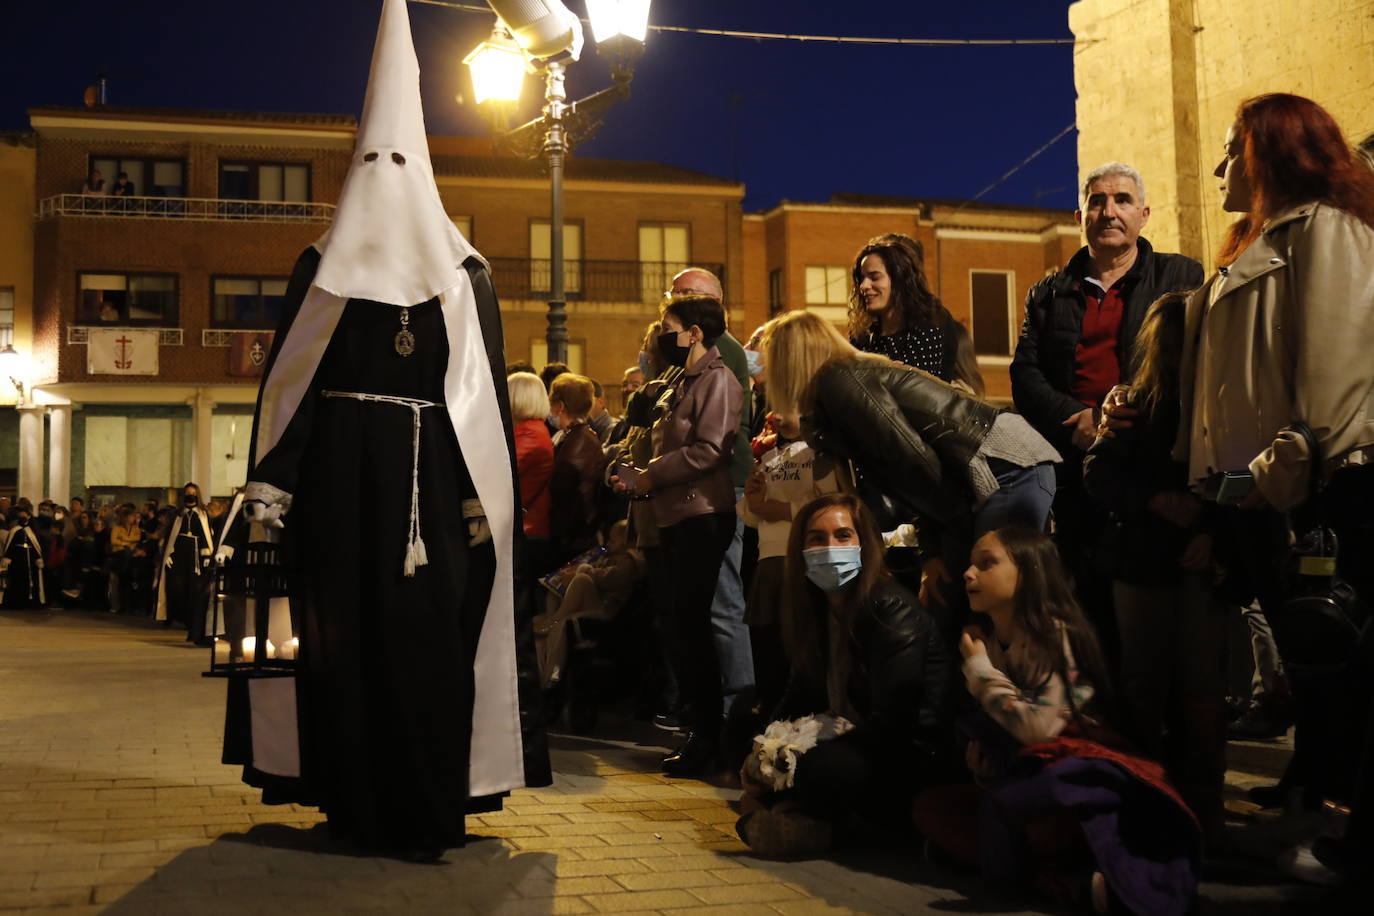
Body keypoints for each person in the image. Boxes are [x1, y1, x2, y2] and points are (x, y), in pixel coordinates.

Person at [228, 0, 548, 858]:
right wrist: (274, 481)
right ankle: (349, 803)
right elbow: (292, 385)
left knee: (427, 646)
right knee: (340, 645)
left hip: (430, 500)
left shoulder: (463, 277)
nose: (385, 170)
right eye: (372, 157)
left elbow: (475, 395)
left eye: (399, 157)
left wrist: (481, 495)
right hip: (337, 495)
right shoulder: (318, 270)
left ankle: (427, 807)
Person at [1168, 93, 1374, 833]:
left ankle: (1328, 803)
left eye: (1232, 148)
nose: (1221, 164)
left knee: (1330, 642)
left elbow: (1338, 361)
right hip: (1254, 490)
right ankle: (1308, 782)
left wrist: (1283, 468)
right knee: (1304, 648)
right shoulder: (1249, 244)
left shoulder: (1327, 229)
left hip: (1314, 486)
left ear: (1271, 151)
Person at [915, 527, 1200, 916]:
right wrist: (983, 768)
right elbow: (1009, 737)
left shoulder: (1053, 634)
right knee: (933, 807)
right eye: (970, 563)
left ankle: (1041, 870)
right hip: (1028, 781)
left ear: (1030, 574)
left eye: (986, 564)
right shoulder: (991, 641)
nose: (968, 573)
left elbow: (1038, 729)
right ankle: (1057, 878)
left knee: (1019, 805)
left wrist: (980, 672)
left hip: (1079, 780)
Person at [1011, 163, 1203, 659]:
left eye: (1121, 200)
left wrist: (1125, 407)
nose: (1108, 211)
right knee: (1087, 612)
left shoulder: (1181, 276)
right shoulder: (1048, 293)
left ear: (1144, 214)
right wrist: (1079, 419)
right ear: (1080, 215)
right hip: (1077, 476)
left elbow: (1193, 360)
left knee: (1160, 634)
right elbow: (1025, 376)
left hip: (1153, 471)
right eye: (1097, 201)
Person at [761, 310, 1059, 617]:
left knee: (996, 598)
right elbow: (912, 472)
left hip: (1005, 467)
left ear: (790, 360)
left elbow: (914, 465)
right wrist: (933, 552)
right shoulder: (841, 387)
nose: (767, 372)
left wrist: (947, 543)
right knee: (976, 599)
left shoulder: (841, 383)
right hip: (997, 469)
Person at [1081, 292, 1226, 843]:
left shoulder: (1222, 401)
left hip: (1197, 568)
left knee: (1204, 691)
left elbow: (1241, 477)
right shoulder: (1135, 404)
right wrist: (1156, 501)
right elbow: (1100, 475)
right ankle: (1146, 809)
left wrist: (1211, 529)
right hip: (1141, 566)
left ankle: (1206, 814)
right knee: (1143, 689)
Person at [736, 493, 952, 859]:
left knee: (818, 769)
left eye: (842, 536)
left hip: (901, 755)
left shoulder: (890, 608)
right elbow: (798, 693)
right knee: (745, 728)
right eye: (816, 538)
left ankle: (813, 819)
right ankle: (801, 816)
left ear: (863, 544)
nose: (830, 547)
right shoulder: (818, 608)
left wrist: (792, 757)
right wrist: (762, 751)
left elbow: (895, 723)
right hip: (845, 737)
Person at [612, 292, 743, 776]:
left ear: (695, 332)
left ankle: (709, 735)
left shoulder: (720, 380)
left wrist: (648, 475)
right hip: (674, 515)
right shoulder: (682, 381)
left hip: (702, 515)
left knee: (693, 627)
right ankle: (699, 729)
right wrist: (635, 474)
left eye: (669, 325)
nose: (662, 334)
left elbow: (710, 449)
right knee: (677, 627)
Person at [667, 267, 756, 723]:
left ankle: (735, 708)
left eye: (685, 294)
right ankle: (705, 705)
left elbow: (714, 439)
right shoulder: (687, 357)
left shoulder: (724, 355)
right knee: (698, 602)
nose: (675, 300)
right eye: (673, 292)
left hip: (719, 485)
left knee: (722, 600)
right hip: (694, 488)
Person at [738, 410, 843, 715]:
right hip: (769, 560)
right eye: (775, 407)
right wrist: (753, 498)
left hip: (802, 559)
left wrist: (778, 509)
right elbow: (752, 515)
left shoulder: (820, 456)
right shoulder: (773, 455)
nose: (776, 416)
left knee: (799, 651)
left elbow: (830, 504)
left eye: (788, 408)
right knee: (769, 652)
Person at [848, 233, 984, 393]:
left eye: (874, 277)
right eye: (861, 279)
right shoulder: (864, 334)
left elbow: (911, 389)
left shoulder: (932, 320)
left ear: (899, 277)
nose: (863, 286)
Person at [533, 519, 643, 689]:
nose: (608, 543)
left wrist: (584, 570)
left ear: (628, 540)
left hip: (608, 610)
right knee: (544, 624)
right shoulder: (609, 557)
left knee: (582, 580)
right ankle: (545, 679)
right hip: (596, 602)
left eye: (613, 540)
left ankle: (555, 619)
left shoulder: (631, 561)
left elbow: (610, 578)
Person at [548, 373, 608, 563]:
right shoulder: (580, 435)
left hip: (574, 540)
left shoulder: (577, 441)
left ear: (560, 406)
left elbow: (562, 491)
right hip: (577, 535)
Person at [509, 371, 554, 580]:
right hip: (528, 526)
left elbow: (507, 471)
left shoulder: (530, 432)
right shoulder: (533, 429)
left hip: (528, 527)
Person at [155, 483, 214, 643]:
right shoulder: (177, 515)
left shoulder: (203, 514)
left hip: (196, 559)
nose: (191, 495)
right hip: (179, 557)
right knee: (177, 589)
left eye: (193, 493)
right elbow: (170, 536)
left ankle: (192, 625)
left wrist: (207, 555)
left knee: (194, 591)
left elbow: (205, 535)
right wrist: (168, 554)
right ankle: (178, 617)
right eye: (188, 493)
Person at [1, 508, 45, 608]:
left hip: (30, 561)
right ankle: (17, 602)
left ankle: (30, 602)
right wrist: (7, 558)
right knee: (18, 581)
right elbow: (10, 545)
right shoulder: (14, 531)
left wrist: (38, 558)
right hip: (17, 561)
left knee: (31, 581)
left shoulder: (32, 531)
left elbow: (35, 546)